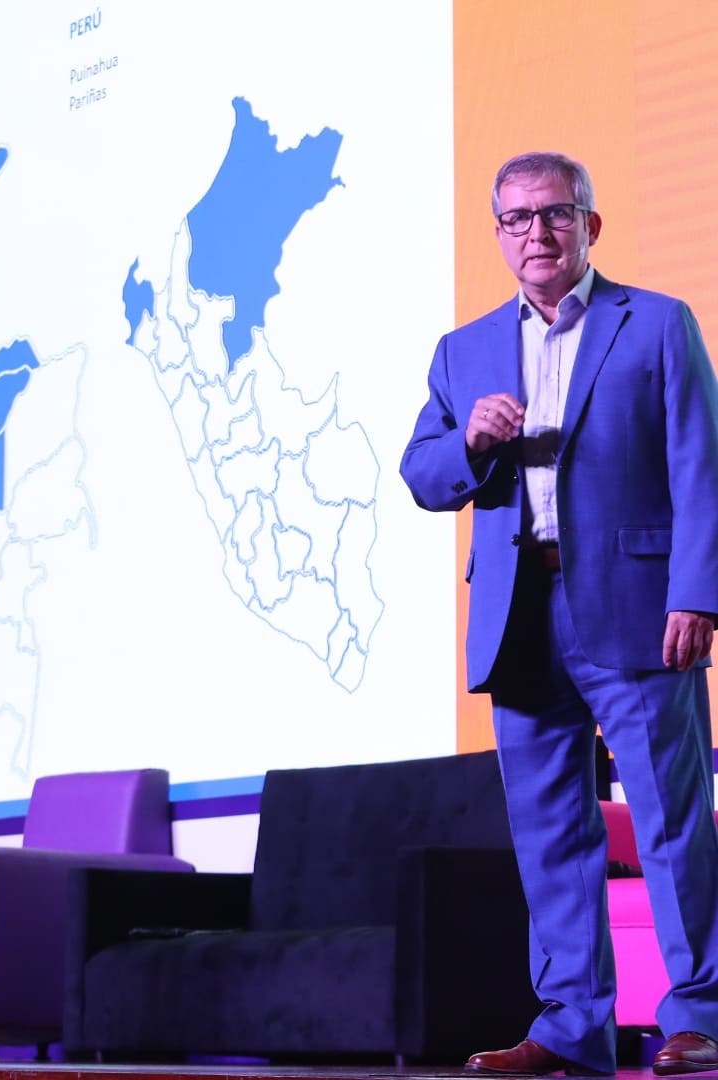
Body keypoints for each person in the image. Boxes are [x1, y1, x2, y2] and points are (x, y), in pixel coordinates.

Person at [401, 151, 718, 1076]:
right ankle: (573, 1027)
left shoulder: (656, 322)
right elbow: (423, 474)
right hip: (518, 616)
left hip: (639, 611)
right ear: (499, 234)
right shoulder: (462, 351)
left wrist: (697, 593)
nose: (536, 233)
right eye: (518, 218)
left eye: (555, 214)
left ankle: (699, 1016)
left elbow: (701, 465)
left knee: (670, 823)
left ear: (590, 226)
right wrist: (470, 441)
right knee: (550, 835)